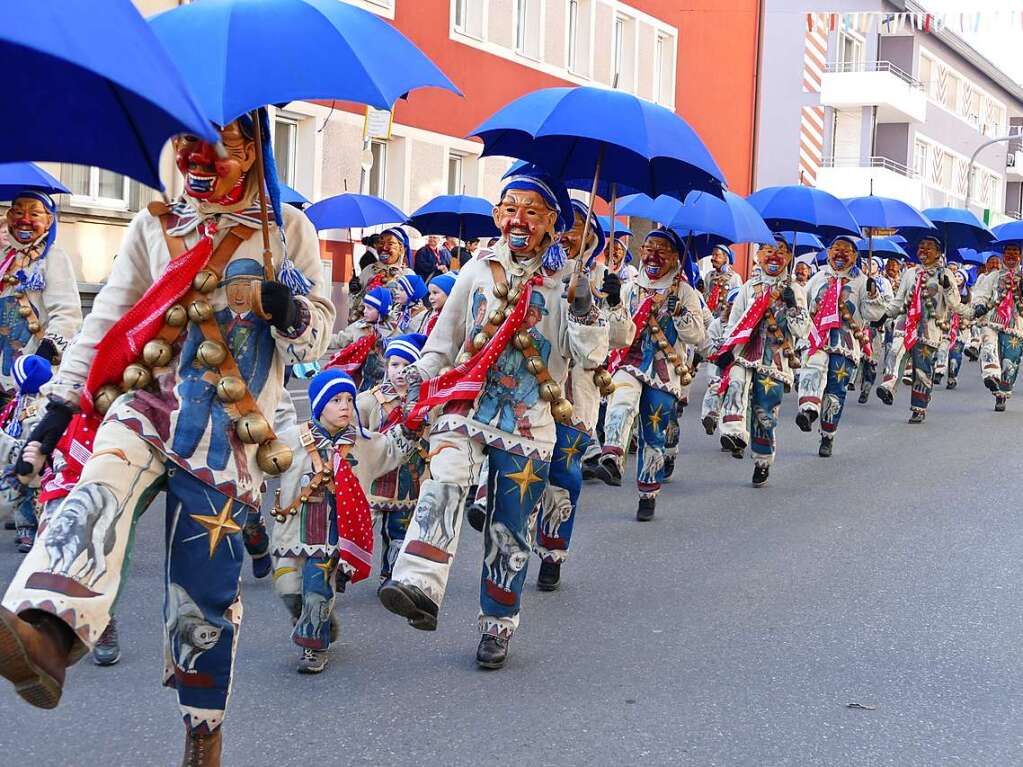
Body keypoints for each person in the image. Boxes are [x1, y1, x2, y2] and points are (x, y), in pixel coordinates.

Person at [0, 113, 334, 765]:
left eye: (213, 141)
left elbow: (315, 338)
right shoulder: (154, 224)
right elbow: (104, 319)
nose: (193, 154)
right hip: (147, 406)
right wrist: (57, 411)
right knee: (98, 488)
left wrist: (289, 310)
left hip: (230, 436)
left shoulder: (289, 230)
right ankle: (44, 635)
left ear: (253, 146)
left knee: (201, 589)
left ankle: (203, 729)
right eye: (183, 138)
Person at [377, 166, 608, 669]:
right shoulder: (478, 270)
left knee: (509, 526)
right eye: (509, 208)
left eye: (531, 210)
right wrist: (412, 380)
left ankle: (497, 625)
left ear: (552, 221)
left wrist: (588, 305)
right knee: (446, 473)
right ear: (497, 215)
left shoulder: (568, 280)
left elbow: (589, 356)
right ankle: (418, 582)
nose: (517, 219)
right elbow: (444, 341)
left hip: (530, 422)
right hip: (470, 404)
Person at [270, 370, 414, 674]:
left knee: (317, 588)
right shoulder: (294, 439)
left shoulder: (362, 442)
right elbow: (265, 461)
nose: (346, 406)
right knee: (287, 587)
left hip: (332, 533)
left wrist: (412, 428)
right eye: (336, 400)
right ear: (319, 404)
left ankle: (313, 645)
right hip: (294, 529)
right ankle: (311, 616)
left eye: (349, 399)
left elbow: (390, 451)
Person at [534, 199, 626, 589]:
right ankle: (512, 539)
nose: (570, 236)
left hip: (578, 398)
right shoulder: (537, 269)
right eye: (565, 227)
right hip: (533, 390)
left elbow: (620, 339)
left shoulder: (606, 278)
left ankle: (553, 551)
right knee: (520, 473)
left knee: (564, 476)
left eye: (580, 229)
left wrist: (615, 302)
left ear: (593, 237)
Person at [591, 229, 705, 520]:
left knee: (653, 434)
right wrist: (614, 300)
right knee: (620, 402)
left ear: (676, 258)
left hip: (664, 370)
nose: (653, 255)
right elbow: (612, 330)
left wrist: (679, 312)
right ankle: (612, 457)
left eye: (662, 250)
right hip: (630, 360)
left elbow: (696, 335)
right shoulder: (631, 286)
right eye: (649, 248)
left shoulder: (685, 291)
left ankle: (648, 492)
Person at [714, 238, 809, 486]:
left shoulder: (796, 290)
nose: (774, 256)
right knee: (735, 382)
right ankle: (734, 433)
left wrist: (792, 305)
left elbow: (801, 330)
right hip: (745, 353)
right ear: (758, 255)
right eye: (768, 251)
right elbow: (735, 322)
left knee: (764, 413)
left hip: (774, 360)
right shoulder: (748, 287)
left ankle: (762, 460)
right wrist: (726, 349)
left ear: (789, 257)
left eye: (781, 252)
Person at [795, 236, 886, 457]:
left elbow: (874, 314)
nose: (840, 253)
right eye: (836, 249)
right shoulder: (817, 278)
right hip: (817, 339)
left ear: (855, 256)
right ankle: (808, 411)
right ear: (828, 253)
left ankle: (827, 435)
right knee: (812, 371)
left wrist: (873, 295)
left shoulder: (863, 282)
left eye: (846, 250)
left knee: (836, 390)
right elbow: (802, 308)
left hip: (845, 343)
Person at [355, 333, 428, 579]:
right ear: (386, 366)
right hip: (375, 478)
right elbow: (355, 436)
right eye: (395, 364)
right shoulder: (368, 401)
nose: (400, 371)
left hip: (408, 480)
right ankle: (346, 567)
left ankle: (391, 574)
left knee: (399, 530)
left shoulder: (426, 403)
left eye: (408, 366)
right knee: (361, 524)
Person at [0, 192, 82, 402]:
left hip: (29, 369)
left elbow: (67, 315)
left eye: (34, 214)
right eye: (18, 212)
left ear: (48, 221)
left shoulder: (53, 258)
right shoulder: (5, 257)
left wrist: (44, 356)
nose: (25, 220)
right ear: (9, 217)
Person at [876, 235, 963, 423]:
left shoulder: (946, 274)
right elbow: (899, 300)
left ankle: (919, 407)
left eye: (929, 247)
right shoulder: (910, 273)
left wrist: (947, 286)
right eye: (921, 246)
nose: (924, 249)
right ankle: (888, 386)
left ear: (939, 253)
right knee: (894, 351)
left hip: (930, 327)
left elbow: (955, 303)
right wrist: (883, 316)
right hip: (905, 322)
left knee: (922, 369)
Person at [971, 242, 1023, 411]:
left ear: (1020, 256)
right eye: (1008, 252)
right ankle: (991, 376)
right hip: (992, 320)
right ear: (1003, 255)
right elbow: (981, 294)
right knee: (989, 347)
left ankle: (1002, 395)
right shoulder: (993, 276)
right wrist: (979, 305)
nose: (1011, 255)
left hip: (1016, 324)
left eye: (1015, 252)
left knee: (1010, 361)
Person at [328, 286, 395, 392]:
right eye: (364, 307)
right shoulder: (358, 327)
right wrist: (320, 341)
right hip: (358, 379)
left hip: (383, 382)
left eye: (369, 308)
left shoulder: (394, 331)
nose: (364, 311)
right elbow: (339, 339)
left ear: (381, 310)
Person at [348, 226, 413, 322]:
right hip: (364, 324)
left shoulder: (407, 274)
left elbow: (412, 306)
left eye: (390, 244)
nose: (384, 247)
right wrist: (355, 291)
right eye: (380, 243)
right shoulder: (369, 270)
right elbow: (355, 303)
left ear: (401, 248)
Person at [700, 287, 740, 437]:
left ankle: (732, 432)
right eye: (732, 305)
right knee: (716, 385)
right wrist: (719, 353)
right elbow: (709, 343)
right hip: (719, 361)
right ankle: (710, 416)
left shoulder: (748, 324)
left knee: (736, 392)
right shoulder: (717, 324)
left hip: (738, 363)